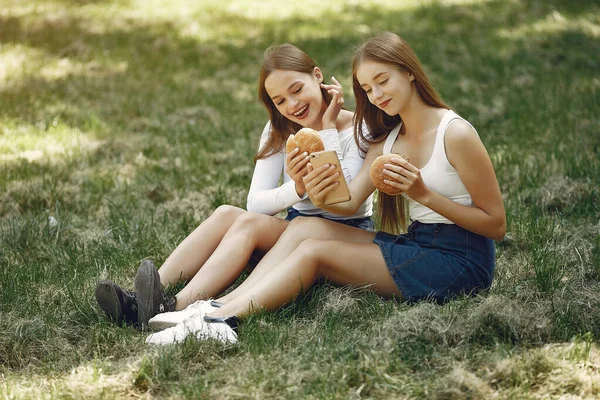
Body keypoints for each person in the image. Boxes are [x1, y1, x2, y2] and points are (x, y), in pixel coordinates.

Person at [151, 31, 506, 345]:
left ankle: (224, 319)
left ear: (409, 71)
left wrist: (425, 195)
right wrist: (306, 183)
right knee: (306, 226)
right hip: (418, 242)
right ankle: (216, 308)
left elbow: (495, 225)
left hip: (461, 262)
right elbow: (344, 201)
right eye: (367, 88)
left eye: (383, 81)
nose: (377, 95)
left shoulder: (455, 133)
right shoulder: (389, 141)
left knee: (314, 253)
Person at [95, 43, 374, 329]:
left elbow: (343, 196)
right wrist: (297, 189)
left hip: (344, 232)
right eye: (279, 101)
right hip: (296, 227)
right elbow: (256, 203)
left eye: (297, 89)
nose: (292, 105)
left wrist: (327, 128)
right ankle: (144, 298)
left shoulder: (358, 128)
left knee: (251, 225)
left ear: (317, 76)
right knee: (228, 213)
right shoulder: (280, 129)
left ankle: (174, 305)